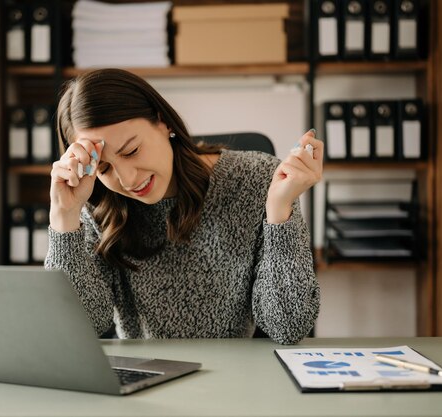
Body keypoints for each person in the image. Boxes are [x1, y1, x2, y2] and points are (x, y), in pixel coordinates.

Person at [45, 68, 322, 345]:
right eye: (104, 168)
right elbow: (72, 332)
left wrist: (279, 214)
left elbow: (288, 326)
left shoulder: (258, 179)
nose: (128, 179)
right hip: (145, 377)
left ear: (163, 122)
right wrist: (64, 216)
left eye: (131, 151)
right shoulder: (96, 201)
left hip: (235, 376)